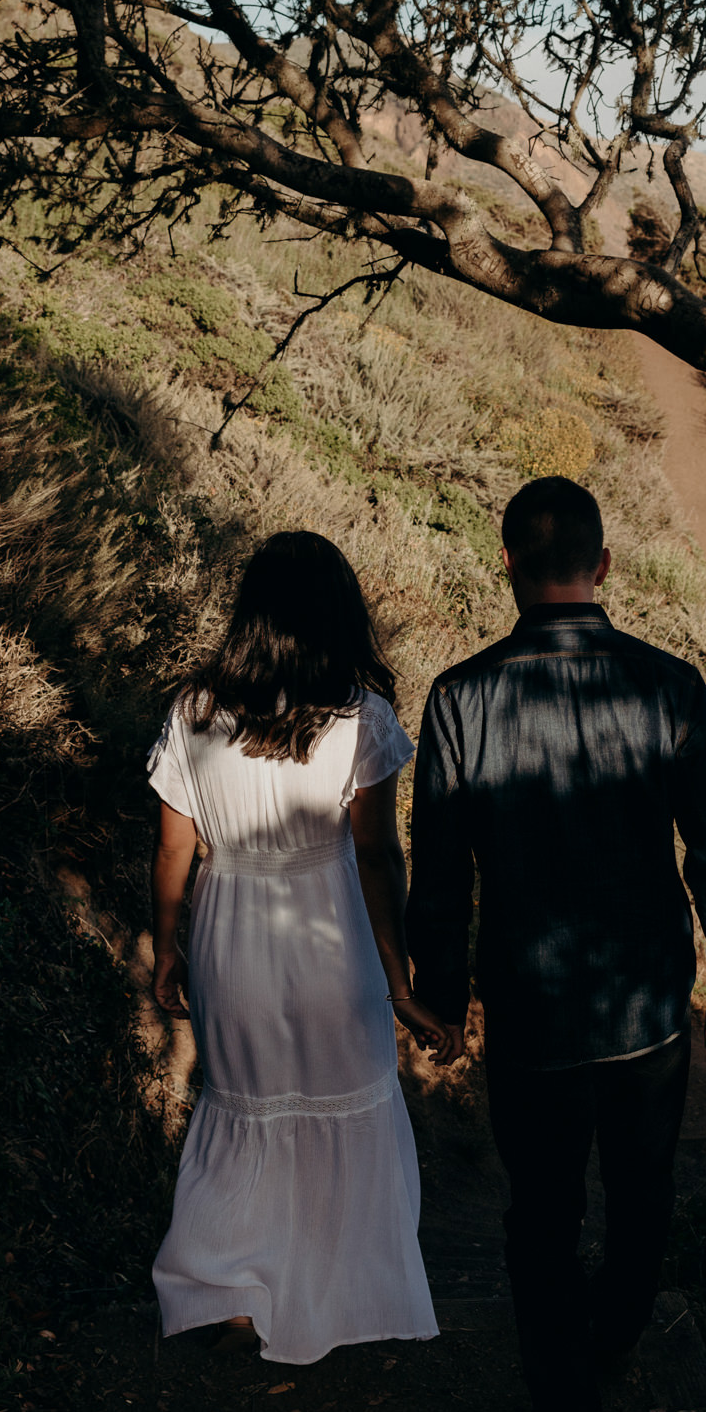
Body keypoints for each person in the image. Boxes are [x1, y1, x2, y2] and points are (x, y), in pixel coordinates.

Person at [404, 476, 706, 1412]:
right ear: (603, 565)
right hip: (646, 1006)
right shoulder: (667, 686)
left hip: (528, 1011)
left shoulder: (459, 696)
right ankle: (612, 1335)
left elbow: (439, 872)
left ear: (508, 562)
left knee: (539, 1215)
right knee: (643, 1189)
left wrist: (439, 994)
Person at [147, 530, 456, 1365]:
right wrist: (400, 982)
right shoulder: (362, 716)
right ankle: (342, 1298)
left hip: (230, 935)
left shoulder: (195, 711)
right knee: (344, 1108)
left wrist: (169, 948)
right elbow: (377, 855)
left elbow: (175, 849)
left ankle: (237, 1288)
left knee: (243, 1107)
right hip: (332, 937)